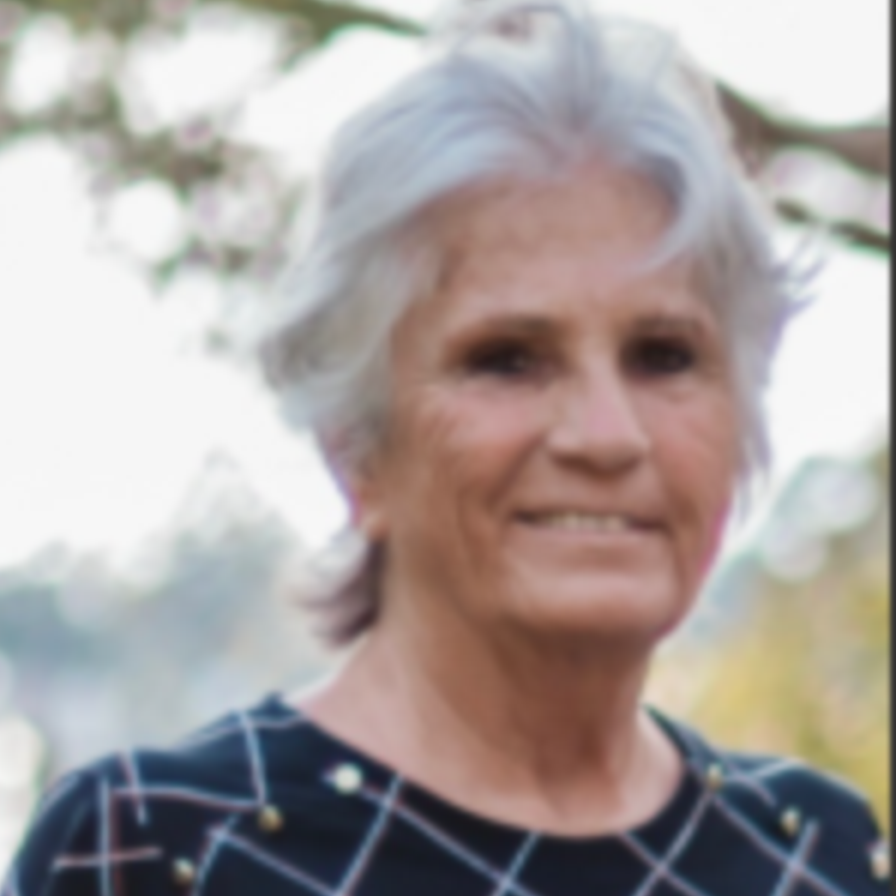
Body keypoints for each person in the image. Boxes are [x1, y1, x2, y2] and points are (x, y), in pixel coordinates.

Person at [3, 1, 888, 894]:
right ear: (355, 445)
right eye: (507, 360)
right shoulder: (158, 853)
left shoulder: (820, 857)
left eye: (664, 357)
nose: (607, 435)